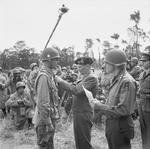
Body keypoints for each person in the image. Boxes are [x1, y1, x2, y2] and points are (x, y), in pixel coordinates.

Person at [84, 49, 137, 149]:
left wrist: (100, 106)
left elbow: (124, 109)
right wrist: (99, 103)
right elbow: (113, 102)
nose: (104, 65)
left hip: (120, 127)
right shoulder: (117, 79)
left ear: (115, 64)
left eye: (106, 63)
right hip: (113, 124)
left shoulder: (127, 82)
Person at [55, 56, 98, 149]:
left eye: (81, 65)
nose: (78, 67)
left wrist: (60, 81)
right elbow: (73, 94)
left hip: (84, 113)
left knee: (84, 142)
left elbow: (76, 91)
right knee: (79, 140)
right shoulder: (83, 77)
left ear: (87, 66)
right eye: (77, 65)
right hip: (79, 112)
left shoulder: (91, 78)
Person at [33, 47, 60, 149]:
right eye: (56, 59)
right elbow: (43, 103)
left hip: (48, 117)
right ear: (49, 60)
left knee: (49, 144)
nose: (57, 61)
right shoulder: (44, 77)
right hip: (44, 120)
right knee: (45, 146)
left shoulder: (49, 75)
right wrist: (48, 123)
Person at [138, 46, 150, 149]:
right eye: (141, 61)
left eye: (144, 61)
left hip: (149, 107)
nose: (142, 63)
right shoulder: (142, 73)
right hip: (142, 106)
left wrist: (146, 94)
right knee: (143, 129)